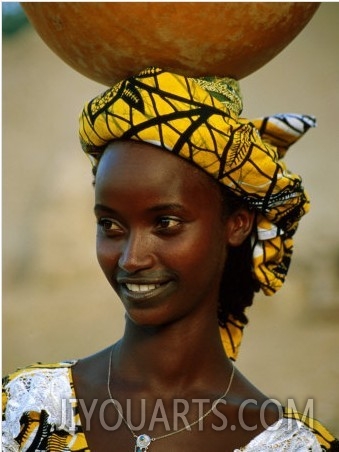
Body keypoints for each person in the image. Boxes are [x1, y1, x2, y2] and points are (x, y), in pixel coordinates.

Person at [2, 67, 338, 451]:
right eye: (110, 225)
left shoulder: (292, 446)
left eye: (165, 223)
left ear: (237, 224)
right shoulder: (26, 410)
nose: (131, 258)